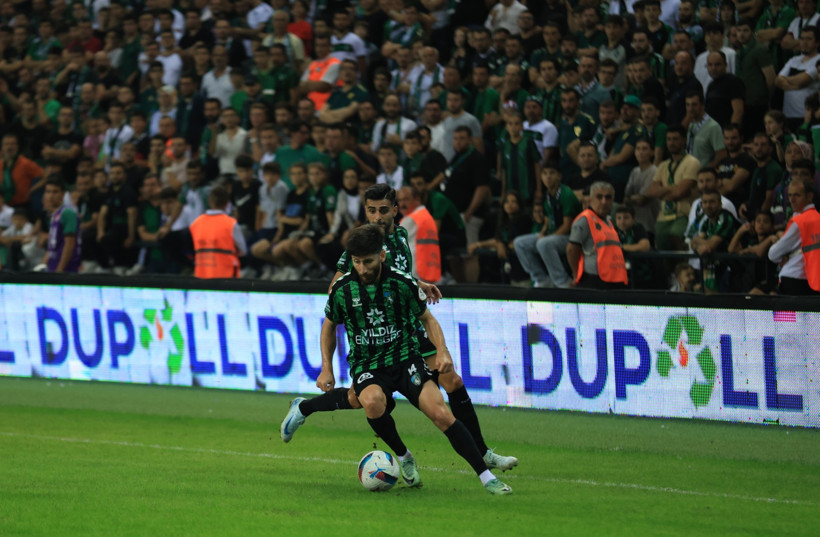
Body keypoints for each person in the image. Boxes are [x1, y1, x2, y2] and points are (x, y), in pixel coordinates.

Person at [281, 184, 517, 475]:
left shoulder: (402, 236)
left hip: (408, 330)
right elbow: (339, 285)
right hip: (379, 337)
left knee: (452, 379)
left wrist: (417, 283)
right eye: (371, 210)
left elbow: (399, 274)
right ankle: (305, 408)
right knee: (361, 399)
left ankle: (483, 453)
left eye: (382, 210)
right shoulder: (363, 245)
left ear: (395, 210)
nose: (376, 217)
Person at [513, 163, 582, 288]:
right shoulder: (548, 195)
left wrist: (546, 238)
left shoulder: (566, 194)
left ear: (559, 176)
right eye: (544, 173)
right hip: (553, 235)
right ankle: (542, 279)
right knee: (520, 243)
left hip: (572, 237)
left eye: (551, 173)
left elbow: (567, 226)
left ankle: (562, 282)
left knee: (544, 243)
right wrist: (543, 233)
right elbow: (548, 220)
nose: (548, 177)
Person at [567, 181, 629, 289]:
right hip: (594, 281)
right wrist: (576, 274)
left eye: (608, 197)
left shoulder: (608, 221)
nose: (604, 201)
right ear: (591, 200)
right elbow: (571, 249)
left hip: (613, 280)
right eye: (599, 197)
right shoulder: (585, 220)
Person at [768, 178, 820, 294]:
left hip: (793, 278)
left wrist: (782, 255)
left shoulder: (800, 222)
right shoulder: (817, 218)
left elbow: (773, 254)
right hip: (814, 280)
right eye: (790, 195)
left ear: (809, 196)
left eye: (797, 195)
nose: (792, 200)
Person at [189, 183, 247, 279]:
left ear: (210, 201)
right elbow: (243, 250)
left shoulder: (195, 223)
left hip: (201, 275)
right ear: (227, 203)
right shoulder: (231, 223)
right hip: (226, 276)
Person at [397, 185, 441, 284]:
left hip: (416, 271)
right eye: (400, 200)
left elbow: (393, 241)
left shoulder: (413, 219)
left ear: (417, 199)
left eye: (406, 199)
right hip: (428, 268)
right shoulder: (426, 216)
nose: (402, 204)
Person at [42, 177, 81, 273]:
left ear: (63, 194)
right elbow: (53, 244)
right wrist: (43, 264)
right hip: (53, 264)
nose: (50, 196)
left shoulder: (67, 213)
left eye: (55, 192)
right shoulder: (55, 214)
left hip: (66, 268)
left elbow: (70, 244)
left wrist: (60, 269)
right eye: (48, 192)